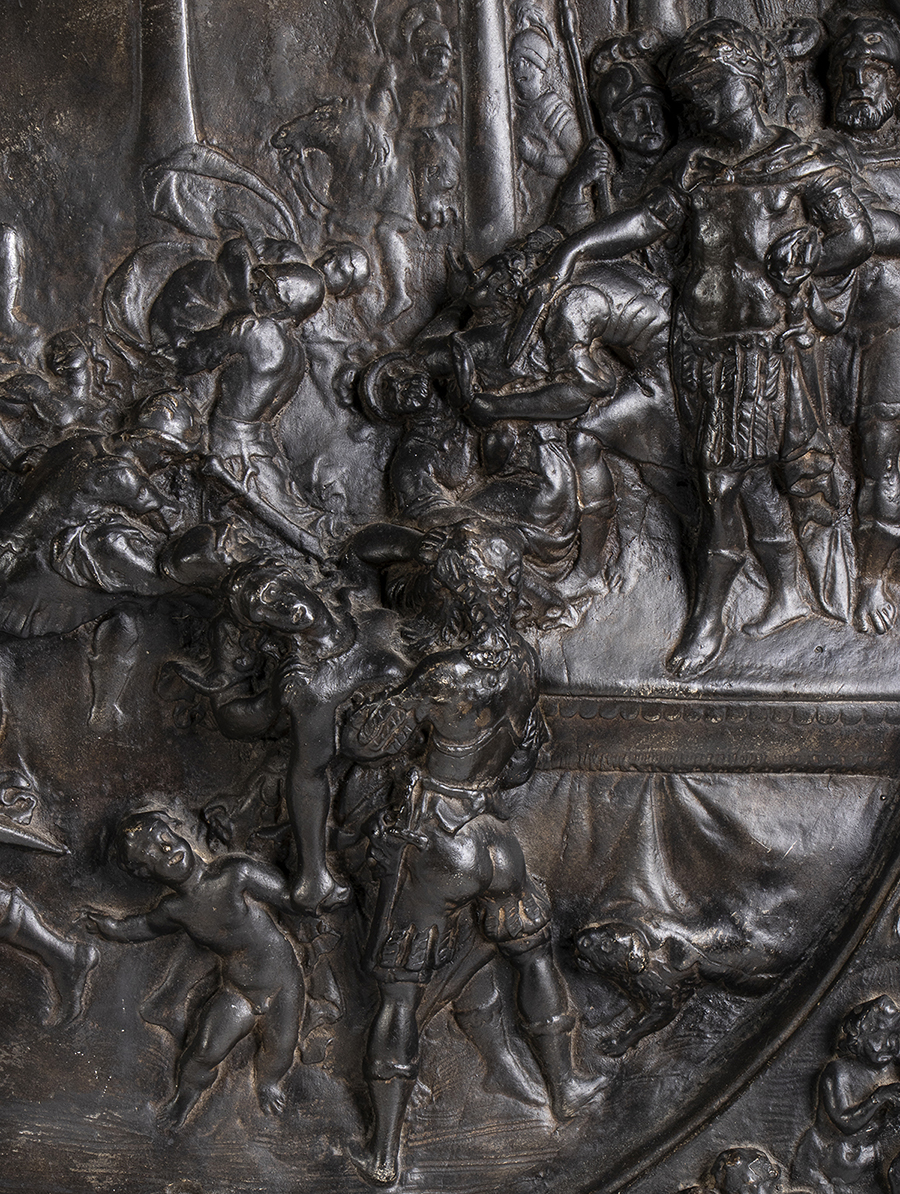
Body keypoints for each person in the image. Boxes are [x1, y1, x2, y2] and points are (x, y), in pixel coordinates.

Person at [518, 19, 875, 676]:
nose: (700, 106)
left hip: (762, 354)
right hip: (701, 350)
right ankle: (778, 595)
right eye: (690, 97)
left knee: (730, 484)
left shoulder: (799, 163)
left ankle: (712, 618)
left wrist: (814, 252)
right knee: (733, 482)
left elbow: (855, 235)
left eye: (710, 88)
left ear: (750, 81)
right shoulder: (694, 166)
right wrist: (575, 248)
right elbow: (647, 221)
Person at [341, 520, 604, 1186]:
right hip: (494, 837)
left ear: (452, 591)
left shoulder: (444, 675)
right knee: (532, 955)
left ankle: (386, 1154)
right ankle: (567, 1084)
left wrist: (377, 700)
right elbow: (520, 763)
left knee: (398, 998)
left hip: (438, 837)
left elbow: (366, 742)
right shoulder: (520, 661)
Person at [173, 556, 408, 913]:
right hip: (394, 792)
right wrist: (314, 873)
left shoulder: (360, 597)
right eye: (262, 615)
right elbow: (309, 774)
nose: (277, 611)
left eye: (270, 592)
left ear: (290, 576)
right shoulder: (310, 686)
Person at [82, 810, 303, 1128]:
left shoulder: (235, 874)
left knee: (279, 1052)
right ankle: (182, 1102)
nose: (166, 849)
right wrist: (112, 928)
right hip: (239, 991)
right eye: (152, 855)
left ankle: (268, 1083)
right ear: (145, 873)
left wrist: (310, 889)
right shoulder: (175, 910)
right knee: (203, 1052)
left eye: (165, 838)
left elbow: (288, 896)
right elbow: (145, 926)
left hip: (283, 984)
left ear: (177, 832)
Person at [825, 14, 900, 634]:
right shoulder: (823, 157)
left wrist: (867, 226)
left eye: (871, 69)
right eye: (844, 72)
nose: (856, 83)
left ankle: (878, 576)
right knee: (875, 462)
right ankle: (869, 578)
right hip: (846, 337)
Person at [792, 995, 900, 1194]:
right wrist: (879, 1097)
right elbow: (845, 1123)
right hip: (828, 1163)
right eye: (879, 1035)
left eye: (894, 1037)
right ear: (858, 1038)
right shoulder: (838, 1072)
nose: (888, 1045)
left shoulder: (887, 1071)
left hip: (868, 1162)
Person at [510, 25, 581, 224]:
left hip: (555, 207)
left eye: (526, 62)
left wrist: (536, 158)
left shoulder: (552, 109)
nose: (519, 68)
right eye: (515, 63)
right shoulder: (518, 110)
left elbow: (575, 163)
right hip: (528, 205)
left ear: (542, 71)